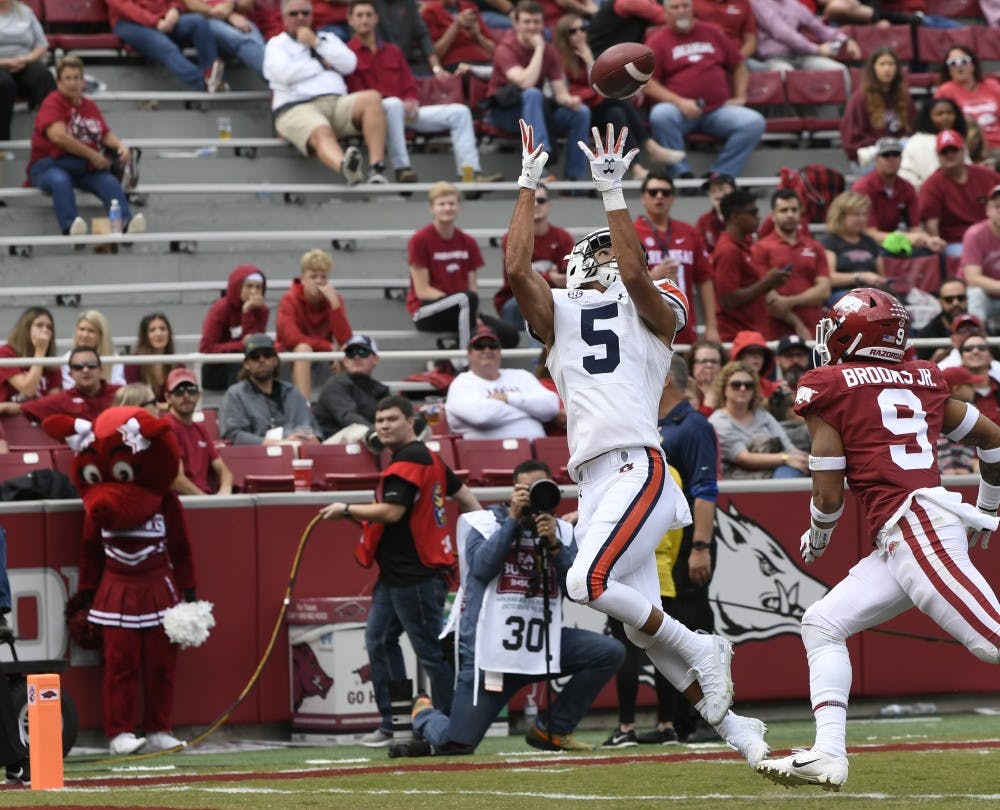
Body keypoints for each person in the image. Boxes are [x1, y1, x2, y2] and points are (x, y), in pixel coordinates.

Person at [506, 119, 770, 767]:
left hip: (638, 466)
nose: (603, 262)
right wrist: (525, 183)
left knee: (586, 581)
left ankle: (705, 647)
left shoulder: (651, 304)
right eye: (592, 253)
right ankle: (740, 733)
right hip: (593, 481)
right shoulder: (560, 314)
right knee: (637, 629)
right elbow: (515, 268)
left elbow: (633, 267)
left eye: (608, 255)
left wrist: (613, 191)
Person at [756, 288, 1000, 791]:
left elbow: (828, 495)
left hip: (916, 525)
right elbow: (992, 439)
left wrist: (819, 536)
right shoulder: (924, 377)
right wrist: (988, 507)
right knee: (822, 622)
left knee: (993, 642)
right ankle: (828, 753)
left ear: (852, 333)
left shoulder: (829, 384)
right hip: (908, 530)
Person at [403, 459, 624, 756]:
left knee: (609, 652)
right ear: (514, 491)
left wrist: (555, 548)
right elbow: (481, 569)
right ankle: (425, 714)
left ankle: (554, 729)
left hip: (542, 646)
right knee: (455, 745)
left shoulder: (560, 530)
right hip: (488, 654)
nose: (534, 496)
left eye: (540, 488)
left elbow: (576, 592)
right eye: (527, 489)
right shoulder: (484, 522)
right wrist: (512, 521)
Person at [318, 395, 480, 746]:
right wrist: (480, 534)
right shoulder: (430, 458)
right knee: (379, 640)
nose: (385, 425)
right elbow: (466, 498)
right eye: (379, 421)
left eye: (392, 419)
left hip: (416, 575)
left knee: (431, 652)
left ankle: (451, 725)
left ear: (410, 421)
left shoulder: (410, 460)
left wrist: (346, 509)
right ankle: (396, 723)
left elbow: (391, 513)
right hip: (398, 574)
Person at [605, 356, 721, 746]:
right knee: (658, 632)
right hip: (650, 539)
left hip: (684, 539)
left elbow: (705, 491)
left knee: (688, 626)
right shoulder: (648, 425)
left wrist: (700, 546)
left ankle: (708, 715)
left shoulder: (693, 426)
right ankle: (678, 721)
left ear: (666, 377)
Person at [345, 0, 500, 185]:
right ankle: (403, 169)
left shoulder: (393, 51)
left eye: (369, 15)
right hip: (375, 115)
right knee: (393, 104)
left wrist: (411, 99)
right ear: (350, 20)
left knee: (459, 112)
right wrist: (397, 102)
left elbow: (409, 84)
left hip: (404, 111)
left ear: (377, 18)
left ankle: (470, 174)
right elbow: (355, 94)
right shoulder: (347, 54)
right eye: (359, 15)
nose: (365, 20)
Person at [263, 0, 389, 185]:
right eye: (294, 14)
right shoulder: (276, 44)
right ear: (284, 18)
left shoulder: (327, 39)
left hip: (336, 103)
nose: (300, 17)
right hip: (297, 107)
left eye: (305, 13)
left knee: (372, 99)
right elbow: (284, 74)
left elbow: (349, 64)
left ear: (312, 15)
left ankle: (377, 169)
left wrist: (316, 43)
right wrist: (320, 65)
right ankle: (347, 169)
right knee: (321, 130)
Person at [551, 14, 684, 184]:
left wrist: (588, 58)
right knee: (616, 97)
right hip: (572, 110)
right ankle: (649, 146)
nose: (580, 34)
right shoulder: (558, 58)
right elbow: (571, 91)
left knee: (616, 113)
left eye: (583, 29)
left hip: (594, 107)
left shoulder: (587, 51)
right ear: (564, 36)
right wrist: (594, 91)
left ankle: (636, 167)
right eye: (573, 31)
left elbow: (596, 85)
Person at [645, 0, 765, 183]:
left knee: (754, 122)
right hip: (680, 110)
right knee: (660, 115)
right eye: (675, 7)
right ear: (666, 12)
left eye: (685, 6)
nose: (681, 11)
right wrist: (679, 102)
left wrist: (741, 96)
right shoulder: (657, 41)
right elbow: (648, 82)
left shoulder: (712, 32)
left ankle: (721, 174)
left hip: (717, 110)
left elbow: (738, 65)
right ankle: (681, 175)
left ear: (692, 9)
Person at [27, 55, 146, 238]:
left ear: (83, 82)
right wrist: (92, 155)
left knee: (109, 182)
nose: (73, 83)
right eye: (68, 78)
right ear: (58, 82)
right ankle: (71, 228)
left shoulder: (89, 105)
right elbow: (59, 137)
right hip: (49, 164)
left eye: (77, 78)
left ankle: (125, 224)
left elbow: (104, 134)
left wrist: (121, 146)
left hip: (82, 166)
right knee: (60, 181)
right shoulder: (53, 102)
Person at [485, 1, 591, 183]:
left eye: (536, 22)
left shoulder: (550, 51)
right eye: (527, 22)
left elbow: (560, 92)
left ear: (543, 24)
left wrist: (570, 100)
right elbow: (525, 82)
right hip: (504, 114)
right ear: (516, 24)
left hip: (535, 114)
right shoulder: (506, 48)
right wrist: (539, 49)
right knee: (532, 93)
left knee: (580, 112)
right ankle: (537, 162)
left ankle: (575, 178)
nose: (532, 27)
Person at [635, 171, 718, 345]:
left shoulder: (688, 231)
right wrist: (653, 276)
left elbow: (704, 279)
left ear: (672, 198)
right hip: (645, 330)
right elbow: (622, 283)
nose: (659, 196)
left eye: (665, 193)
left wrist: (711, 326)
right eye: (653, 192)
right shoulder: (631, 233)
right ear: (643, 197)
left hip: (684, 328)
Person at [445, 324, 560, 440]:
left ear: (500, 351)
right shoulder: (461, 383)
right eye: (479, 346)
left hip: (536, 452)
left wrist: (507, 398)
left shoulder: (521, 375)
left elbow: (551, 406)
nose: (487, 350)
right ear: (469, 353)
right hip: (486, 454)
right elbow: (482, 416)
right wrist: (532, 412)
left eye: (493, 346)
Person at [407, 181, 484, 351]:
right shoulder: (420, 240)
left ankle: (454, 356)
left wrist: (472, 313)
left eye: (451, 203)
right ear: (432, 208)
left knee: (508, 334)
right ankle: (463, 361)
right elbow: (422, 291)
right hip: (426, 311)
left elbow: (472, 287)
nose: (447, 208)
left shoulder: (468, 242)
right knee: (465, 299)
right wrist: (459, 303)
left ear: (459, 207)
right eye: (441, 204)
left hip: (463, 306)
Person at [752, 189, 831, 341]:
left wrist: (789, 301)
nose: (790, 214)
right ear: (773, 215)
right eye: (784, 210)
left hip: (812, 328)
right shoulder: (761, 248)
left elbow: (824, 290)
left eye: (794, 210)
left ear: (800, 213)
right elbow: (766, 293)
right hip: (775, 329)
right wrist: (797, 323)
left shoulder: (815, 246)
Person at [495, 182, 574, 333]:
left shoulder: (563, 237)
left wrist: (561, 277)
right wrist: (550, 278)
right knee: (532, 301)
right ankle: (537, 356)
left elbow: (568, 271)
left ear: (549, 205)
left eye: (541, 200)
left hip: (555, 297)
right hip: (517, 299)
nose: (536, 204)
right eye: (532, 200)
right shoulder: (512, 238)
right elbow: (519, 280)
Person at [712, 189, 789, 342]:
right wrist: (766, 282)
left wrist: (770, 283)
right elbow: (728, 299)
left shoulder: (743, 246)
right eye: (752, 212)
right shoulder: (728, 250)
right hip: (738, 337)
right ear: (735, 217)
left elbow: (747, 289)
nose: (758, 217)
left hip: (750, 334)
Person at [275, 248, 353, 401]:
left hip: (322, 357)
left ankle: (344, 404)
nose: (319, 281)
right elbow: (291, 338)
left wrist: (335, 306)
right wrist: (328, 347)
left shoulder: (333, 299)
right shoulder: (289, 299)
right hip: (289, 357)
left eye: (323, 277)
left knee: (349, 350)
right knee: (304, 348)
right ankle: (304, 408)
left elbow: (345, 339)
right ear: (303, 278)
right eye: (313, 276)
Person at [709, 360, 807, 478]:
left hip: (776, 470)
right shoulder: (719, 421)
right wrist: (785, 458)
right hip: (740, 478)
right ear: (724, 388)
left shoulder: (762, 415)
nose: (743, 388)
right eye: (736, 385)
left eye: (749, 385)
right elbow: (743, 458)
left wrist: (803, 459)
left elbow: (788, 446)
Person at [218, 334, 320, 445]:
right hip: (255, 458)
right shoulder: (235, 395)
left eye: (267, 355)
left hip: (296, 455)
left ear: (275, 360)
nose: (262, 360)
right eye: (255, 356)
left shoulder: (292, 392)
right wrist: (278, 443)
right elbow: (233, 435)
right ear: (246, 364)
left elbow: (313, 429)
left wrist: (311, 439)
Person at [853, 136, 946, 256]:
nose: (891, 159)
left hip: (892, 241)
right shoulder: (863, 188)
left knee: (930, 251)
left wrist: (929, 240)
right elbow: (867, 232)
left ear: (901, 159)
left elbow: (914, 227)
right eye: (886, 155)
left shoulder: (907, 187)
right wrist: (907, 238)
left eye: (895, 155)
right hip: (863, 242)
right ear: (876, 159)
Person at [109, 0, 226, 91]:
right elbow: (123, 6)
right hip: (128, 22)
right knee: (166, 46)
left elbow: (177, 2)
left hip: (164, 18)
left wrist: (175, 9)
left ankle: (213, 74)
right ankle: (204, 84)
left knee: (198, 22)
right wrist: (155, 21)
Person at [919, 129, 1000, 257]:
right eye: (944, 152)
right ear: (938, 155)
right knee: (966, 254)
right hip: (956, 243)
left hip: (993, 237)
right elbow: (931, 224)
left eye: (954, 150)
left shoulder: (987, 176)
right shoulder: (931, 185)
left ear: (963, 151)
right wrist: (937, 245)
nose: (950, 155)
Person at [0, 345, 121, 423]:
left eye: (91, 365)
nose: (85, 370)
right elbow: (20, 408)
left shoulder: (121, 393)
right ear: (70, 374)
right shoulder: (62, 400)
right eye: (78, 367)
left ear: (101, 370)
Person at [840, 48, 915, 170]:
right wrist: (882, 144)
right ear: (873, 68)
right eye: (882, 64)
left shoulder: (904, 97)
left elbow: (912, 130)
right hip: (871, 156)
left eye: (891, 64)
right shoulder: (860, 98)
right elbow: (850, 140)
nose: (887, 69)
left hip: (899, 154)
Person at [199, 264, 269, 392]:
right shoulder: (221, 308)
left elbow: (254, 346)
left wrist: (247, 312)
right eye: (249, 286)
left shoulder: (261, 310)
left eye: (258, 287)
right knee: (238, 360)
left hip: (246, 366)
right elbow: (206, 348)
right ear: (238, 286)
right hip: (217, 369)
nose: (254, 291)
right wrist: (240, 345)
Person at [164, 368, 234, 496]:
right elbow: (177, 480)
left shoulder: (200, 429)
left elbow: (224, 470)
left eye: (191, 390)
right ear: (168, 397)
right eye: (179, 391)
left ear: (198, 395)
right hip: (184, 502)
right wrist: (206, 501)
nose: (186, 395)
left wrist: (225, 491)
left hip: (204, 499)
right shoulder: (167, 428)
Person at [749, 0, 857, 82]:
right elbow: (781, 32)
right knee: (785, 76)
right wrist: (816, 49)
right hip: (773, 59)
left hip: (801, 56)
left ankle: (845, 111)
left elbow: (818, 27)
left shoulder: (791, 3)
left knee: (839, 71)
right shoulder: (757, 2)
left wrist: (846, 39)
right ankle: (790, 113)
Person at [313, 334, 389, 441]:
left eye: (363, 352)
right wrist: (377, 433)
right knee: (356, 430)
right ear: (345, 361)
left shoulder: (381, 390)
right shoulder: (335, 385)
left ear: (375, 359)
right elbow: (347, 417)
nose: (356, 357)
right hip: (332, 447)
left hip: (371, 442)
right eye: (351, 353)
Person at [0, 0, 55, 142]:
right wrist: (6, 62)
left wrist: (27, 59)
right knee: (5, 84)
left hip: (25, 61)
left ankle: (51, 135)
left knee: (44, 76)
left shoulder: (25, 12)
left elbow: (41, 44)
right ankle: (3, 143)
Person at [934, 45, 1000, 162]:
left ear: (973, 65)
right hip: (968, 148)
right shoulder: (944, 91)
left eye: (964, 61)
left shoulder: (992, 86)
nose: (959, 66)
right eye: (953, 63)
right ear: (948, 69)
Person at [820, 191, 886, 305]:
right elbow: (829, 278)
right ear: (841, 216)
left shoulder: (870, 242)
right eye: (856, 215)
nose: (861, 219)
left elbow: (882, 276)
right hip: (841, 295)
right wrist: (861, 277)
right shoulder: (830, 241)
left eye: (864, 215)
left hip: (871, 294)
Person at [182, 0, 266, 79]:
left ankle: (276, 80)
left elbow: (248, 5)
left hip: (239, 19)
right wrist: (228, 14)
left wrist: (232, 5)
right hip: (207, 19)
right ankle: (276, 79)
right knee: (241, 39)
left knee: (257, 43)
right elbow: (190, 4)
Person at [900, 96, 969, 190]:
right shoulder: (919, 141)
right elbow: (930, 174)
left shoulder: (957, 137)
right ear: (928, 117)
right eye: (940, 114)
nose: (946, 117)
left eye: (949, 113)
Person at [0, 306, 60, 403]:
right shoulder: (6, 353)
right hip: (10, 415)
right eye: (39, 325)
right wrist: (40, 351)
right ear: (26, 329)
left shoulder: (52, 361)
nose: (45, 330)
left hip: (38, 414)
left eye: (49, 327)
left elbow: (53, 401)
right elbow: (28, 389)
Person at [961, 184, 1000, 331]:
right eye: (997, 206)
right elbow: (972, 278)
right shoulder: (975, 234)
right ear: (988, 210)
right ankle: (976, 339)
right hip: (985, 298)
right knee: (976, 293)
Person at [419, 0, 494, 74]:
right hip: (455, 63)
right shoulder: (430, 12)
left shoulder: (469, 7)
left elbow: (493, 49)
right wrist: (456, 25)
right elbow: (433, 55)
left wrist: (477, 35)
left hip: (483, 61)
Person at [124, 312, 183, 405]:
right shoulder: (133, 364)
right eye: (152, 330)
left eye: (163, 329)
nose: (159, 333)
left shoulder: (178, 364)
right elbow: (135, 401)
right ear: (145, 336)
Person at [62, 310, 127, 390]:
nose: (85, 335)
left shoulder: (114, 359)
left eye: (91, 331)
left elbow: (119, 389)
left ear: (101, 335)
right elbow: (69, 389)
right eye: (82, 329)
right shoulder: (66, 359)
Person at [912, 278, 969, 362]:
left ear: (967, 299)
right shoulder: (926, 335)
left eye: (961, 298)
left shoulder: (979, 327)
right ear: (940, 302)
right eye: (949, 299)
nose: (956, 303)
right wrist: (933, 362)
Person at [695, 172, 735, 256]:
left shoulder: (744, 216)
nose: (717, 194)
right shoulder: (704, 220)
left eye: (721, 189)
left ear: (733, 191)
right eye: (712, 190)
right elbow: (700, 250)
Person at [687, 339, 726, 416]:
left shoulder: (732, 388)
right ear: (692, 365)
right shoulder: (683, 391)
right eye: (703, 361)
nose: (709, 365)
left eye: (714, 361)